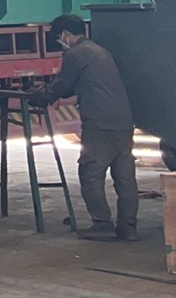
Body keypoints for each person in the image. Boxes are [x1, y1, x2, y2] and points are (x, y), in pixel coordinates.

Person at [31, 14, 137, 241]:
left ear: (65, 34)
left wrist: (41, 96)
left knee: (90, 172)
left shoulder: (76, 54)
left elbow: (62, 85)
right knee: (124, 176)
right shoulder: (100, 51)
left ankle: (102, 224)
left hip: (99, 122)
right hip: (123, 121)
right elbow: (77, 84)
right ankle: (128, 227)